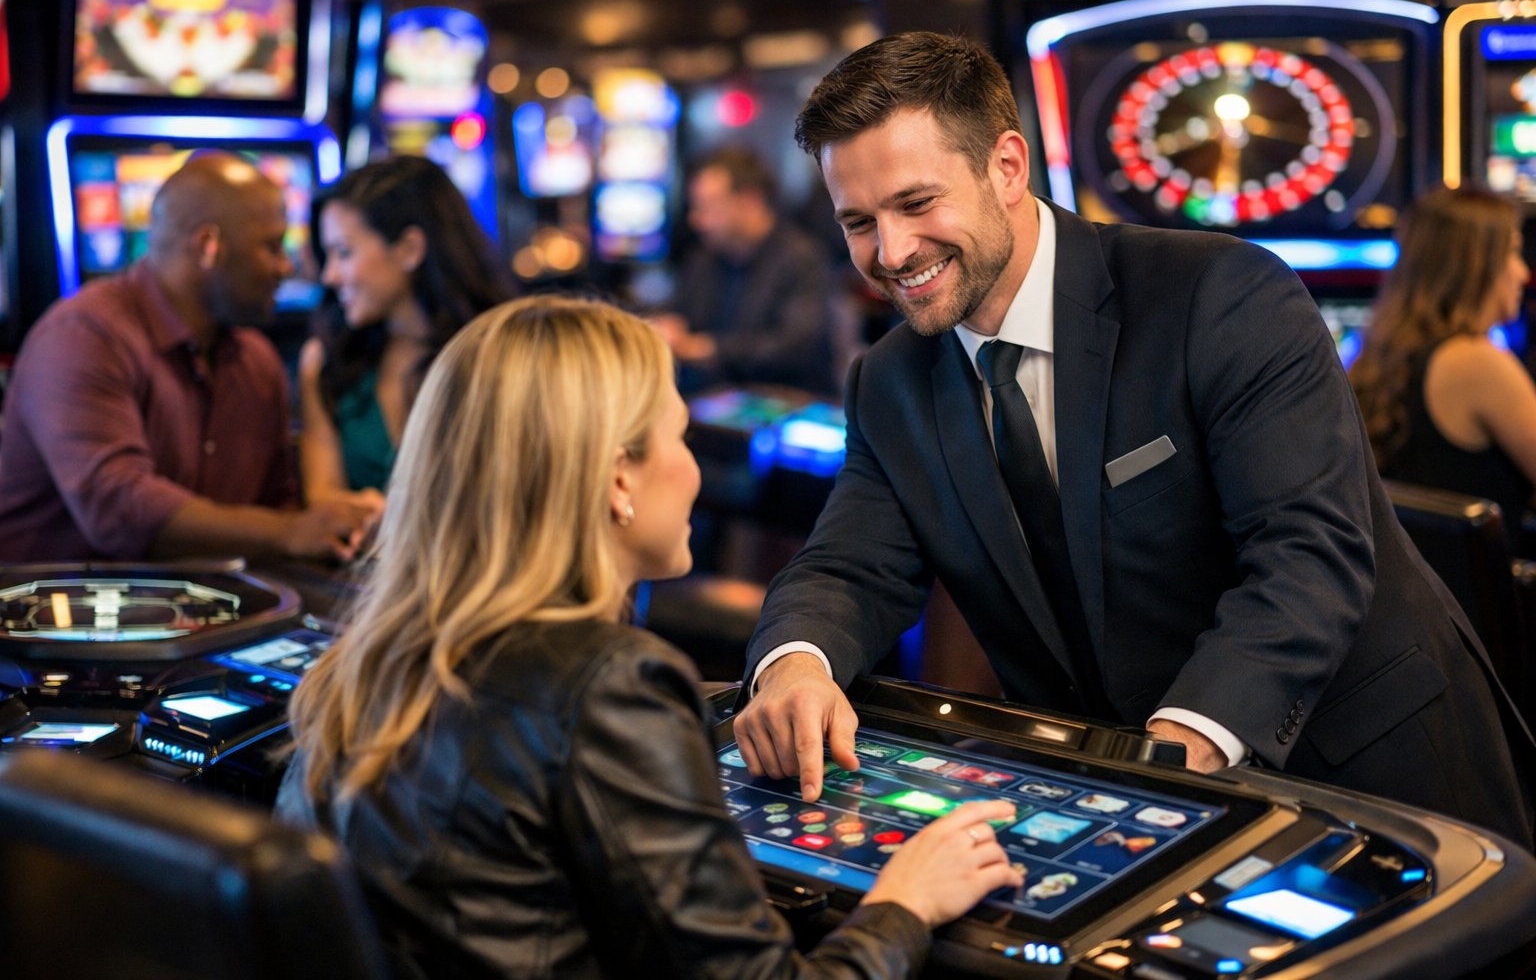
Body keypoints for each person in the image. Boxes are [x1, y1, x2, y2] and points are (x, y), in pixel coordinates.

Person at [731, 31, 1536, 848]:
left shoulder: (1220, 293)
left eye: (915, 204)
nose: (892, 252)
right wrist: (798, 661)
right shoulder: (889, 379)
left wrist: (1170, 756)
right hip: (1128, 797)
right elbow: (849, 564)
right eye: (859, 222)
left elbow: (1307, 556)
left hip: (1363, 773)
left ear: (1007, 167)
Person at [274, 295, 1022, 978]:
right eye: (680, 436)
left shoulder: (364, 664)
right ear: (617, 480)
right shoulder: (611, 685)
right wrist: (905, 903)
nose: (694, 470)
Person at [0, 152, 379, 564]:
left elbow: (274, 511)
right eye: (272, 247)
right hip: (55, 613)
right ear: (208, 246)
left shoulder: (258, 360)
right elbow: (118, 510)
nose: (286, 268)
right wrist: (292, 532)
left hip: (201, 611)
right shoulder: (83, 336)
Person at [298, 154, 514, 506]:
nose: (330, 276)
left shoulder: (501, 355)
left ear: (409, 249)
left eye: (344, 252)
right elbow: (323, 499)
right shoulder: (327, 360)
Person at [1349, 185, 1536, 540]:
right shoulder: (1475, 361)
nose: (1523, 273)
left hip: (1419, 593)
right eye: (1513, 252)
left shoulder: (1379, 357)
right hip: (1478, 595)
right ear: (1476, 263)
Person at [652, 145, 838, 394]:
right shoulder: (704, 258)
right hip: (712, 399)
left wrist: (709, 348)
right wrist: (665, 325)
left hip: (782, 401)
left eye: (707, 207)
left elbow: (794, 347)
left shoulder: (802, 257)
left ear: (750, 202)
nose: (696, 219)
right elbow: (678, 312)